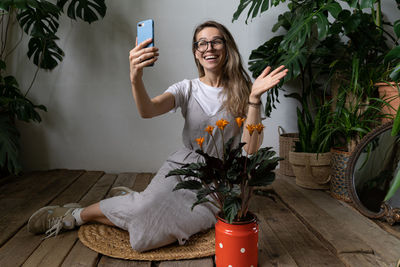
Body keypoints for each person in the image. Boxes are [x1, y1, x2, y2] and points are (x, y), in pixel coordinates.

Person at [27, 20, 288, 252]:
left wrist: (254, 99)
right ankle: (76, 214)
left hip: (219, 182)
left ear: (226, 47)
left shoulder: (244, 91)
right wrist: (135, 78)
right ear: (196, 53)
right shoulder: (186, 88)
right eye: (202, 43)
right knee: (143, 212)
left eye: (216, 41)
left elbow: (251, 150)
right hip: (184, 168)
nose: (209, 47)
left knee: (149, 238)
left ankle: (132, 202)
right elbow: (148, 110)